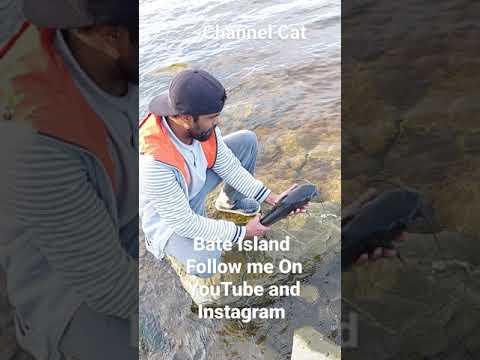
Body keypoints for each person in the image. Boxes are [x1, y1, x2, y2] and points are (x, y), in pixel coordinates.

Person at [1, 1, 139, 359]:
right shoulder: (34, 136)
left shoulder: (122, 59)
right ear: (111, 37)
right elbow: (112, 289)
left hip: (124, 222)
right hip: (70, 291)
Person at [139, 69, 307, 277]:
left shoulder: (199, 126)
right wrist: (243, 233)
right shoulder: (154, 164)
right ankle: (160, 243)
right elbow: (185, 223)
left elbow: (229, 166)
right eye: (212, 118)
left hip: (192, 187)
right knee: (206, 261)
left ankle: (229, 202)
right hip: (170, 220)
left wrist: (272, 198)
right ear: (184, 118)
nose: (216, 123)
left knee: (246, 140)